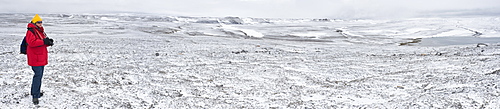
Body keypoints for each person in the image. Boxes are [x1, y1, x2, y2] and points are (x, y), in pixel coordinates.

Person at [25, 14, 53, 105]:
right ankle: (35, 96)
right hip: (35, 57)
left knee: (39, 76)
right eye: (38, 22)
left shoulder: (39, 31)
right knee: (37, 76)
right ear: (34, 23)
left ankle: (36, 92)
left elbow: (41, 42)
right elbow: (32, 43)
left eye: (41, 22)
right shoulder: (31, 31)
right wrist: (44, 41)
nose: (40, 24)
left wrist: (48, 42)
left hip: (40, 57)